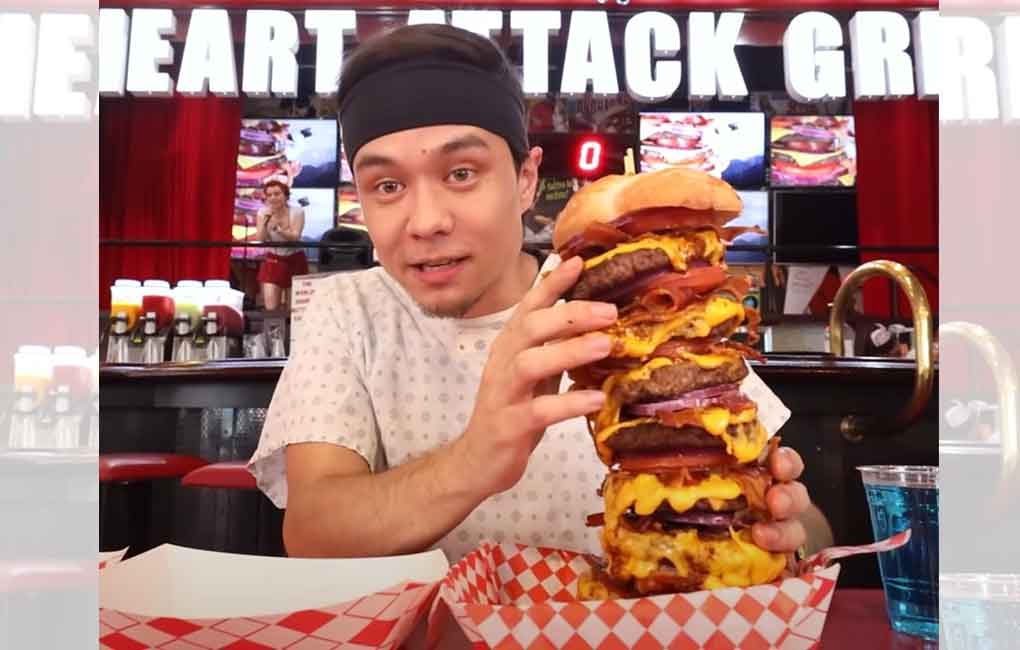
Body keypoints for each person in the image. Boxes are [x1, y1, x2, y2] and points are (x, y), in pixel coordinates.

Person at [249, 24, 830, 562]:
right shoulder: (349, 313)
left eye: (461, 174)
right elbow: (314, 530)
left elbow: (815, 527)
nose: (425, 221)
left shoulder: (630, 298)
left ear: (526, 180)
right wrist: (476, 459)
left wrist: (785, 530)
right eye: (388, 185)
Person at [255, 179, 308, 311]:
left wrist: (279, 230)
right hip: (273, 259)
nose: (273, 198)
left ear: (286, 196)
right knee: (271, 307)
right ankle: (273, 331)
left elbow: (295, 237)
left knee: (294, 308)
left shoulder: (298, 211)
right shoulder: (262, 213)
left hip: (295, 259)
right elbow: (260, 239)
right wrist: (265, 222)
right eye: (269, 195)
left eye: (277, 194)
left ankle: (293, 331)